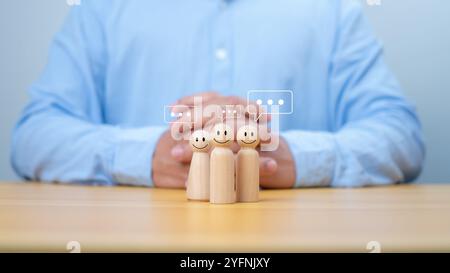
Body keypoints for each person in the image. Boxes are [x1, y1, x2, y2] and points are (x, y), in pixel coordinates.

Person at [11, 0, 425, 189]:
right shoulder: (99, 10)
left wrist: (290, 158)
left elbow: (400, 137)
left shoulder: (333, 11)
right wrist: (146, 155)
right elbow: (34, 136)